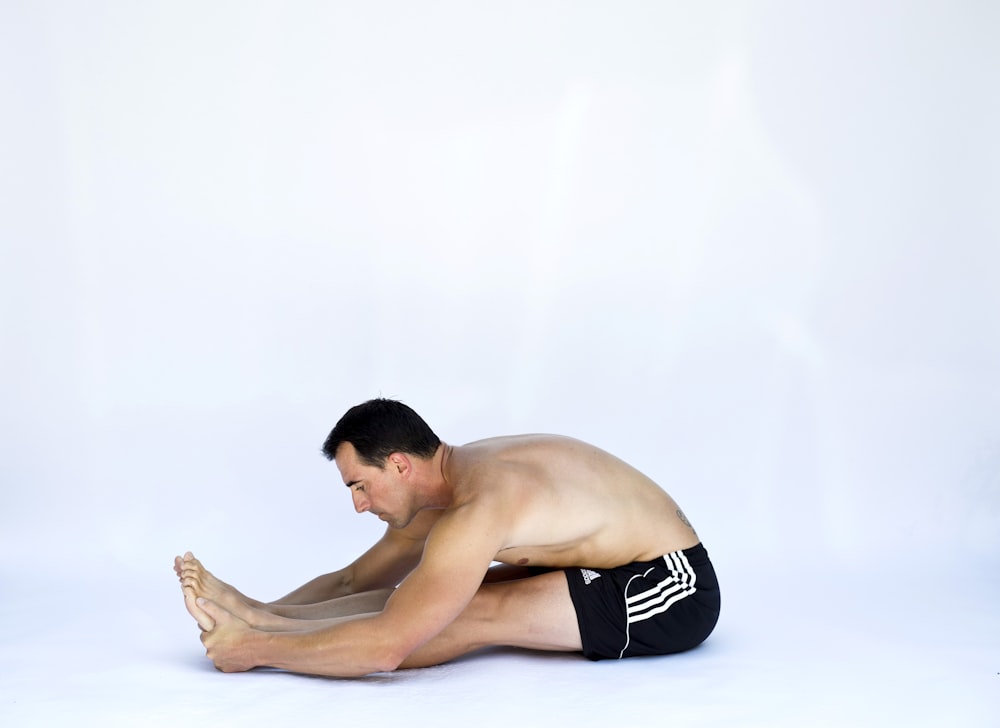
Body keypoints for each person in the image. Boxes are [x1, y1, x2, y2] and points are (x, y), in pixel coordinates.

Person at [175, 398, 720, 677]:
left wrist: (255, 650)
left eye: (361, 486)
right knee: (421, 601)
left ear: (398, 464)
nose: (358, 504)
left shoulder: (480, 504)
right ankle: (258, 621)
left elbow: (389, 646)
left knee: (464, 614)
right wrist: (254, 608)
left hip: (672, 584)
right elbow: (354, 579)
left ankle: (256, 637)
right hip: (608, 560)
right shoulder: (448, 483)